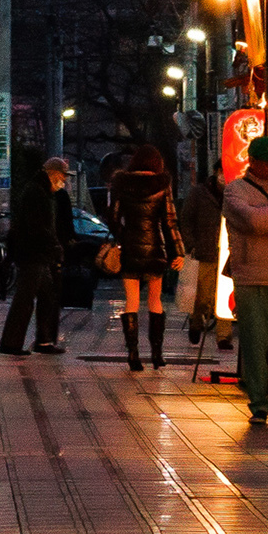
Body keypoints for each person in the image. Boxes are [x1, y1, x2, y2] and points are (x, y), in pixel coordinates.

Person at [221, 138, 268, 430]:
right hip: (250, 276)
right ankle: (259, 403)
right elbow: (253, 222)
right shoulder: (235, 190)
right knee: (255, 341)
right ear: (253, 161)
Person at [106, 140, 183, 371]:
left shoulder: (121, 183)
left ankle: (133, 354)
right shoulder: (162, 184)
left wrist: (122, 235)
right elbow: (169, 221)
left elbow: (113, 215)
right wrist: (177, 251)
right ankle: (157, 354)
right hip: (155, 248)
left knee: (131, 300)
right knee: (155, 300)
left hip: (130, 247)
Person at [0, 153, 73, 357]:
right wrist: (54, 245)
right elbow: (38, 226)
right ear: (53, 174)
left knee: (47, 296)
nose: (64, 181)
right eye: (63, 176)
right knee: (25, 298)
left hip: (38, 253)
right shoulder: (36, 192)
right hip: (33, 253)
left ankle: (43, 340)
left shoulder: (42, 191)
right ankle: (12, 343)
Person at [179, 154, 226, 350]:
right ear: (216, 172)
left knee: (223, 296)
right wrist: (191, 244)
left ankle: (224, 336)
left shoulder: (235, 193)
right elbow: (186, 219)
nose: (225, 177)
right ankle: (196, 322)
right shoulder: (199, 193)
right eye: (222, 172)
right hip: (204, 250)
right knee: (202, 296)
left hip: (227, 252)